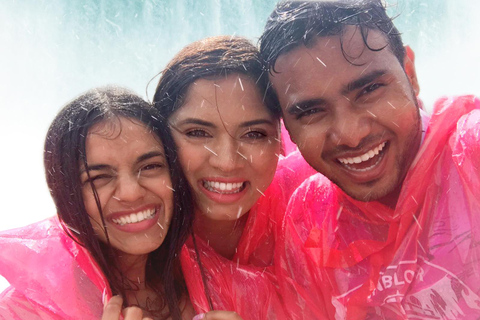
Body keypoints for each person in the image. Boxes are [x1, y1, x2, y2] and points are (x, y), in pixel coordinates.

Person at [259, 0, 480, 319]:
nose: (350, 134)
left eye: (370, 89)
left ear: (410, 73)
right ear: (286, 129)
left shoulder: (470, 154)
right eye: (310, 111)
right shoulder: (309, 222)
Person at [153, 35, 315, 320]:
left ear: (280, 138)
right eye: (198, 133)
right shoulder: (128, 232)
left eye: (254, 134)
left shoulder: (315, 208)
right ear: (159, 136)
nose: (226, 162)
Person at [0, 87, 195, 319]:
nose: (131, 193)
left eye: (150, 166)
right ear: (66, 196)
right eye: (99, 178)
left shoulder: (206, 279)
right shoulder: (22, 312)